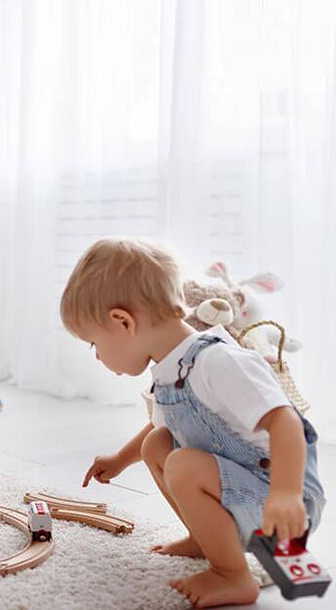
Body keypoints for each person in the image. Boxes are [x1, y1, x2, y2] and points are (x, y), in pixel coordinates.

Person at [61, 238, 325, 608]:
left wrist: (286, 494)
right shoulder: (171, 368)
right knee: (157, 444)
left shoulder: (219, 361)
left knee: (184, 464)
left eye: (94, 344)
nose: (98, 357)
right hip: (244, 488)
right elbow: (160, 426)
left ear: (123, 322)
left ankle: (233, 574)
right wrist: (120, 459)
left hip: (281, 499)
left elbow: (286, 422)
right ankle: (206, 541)